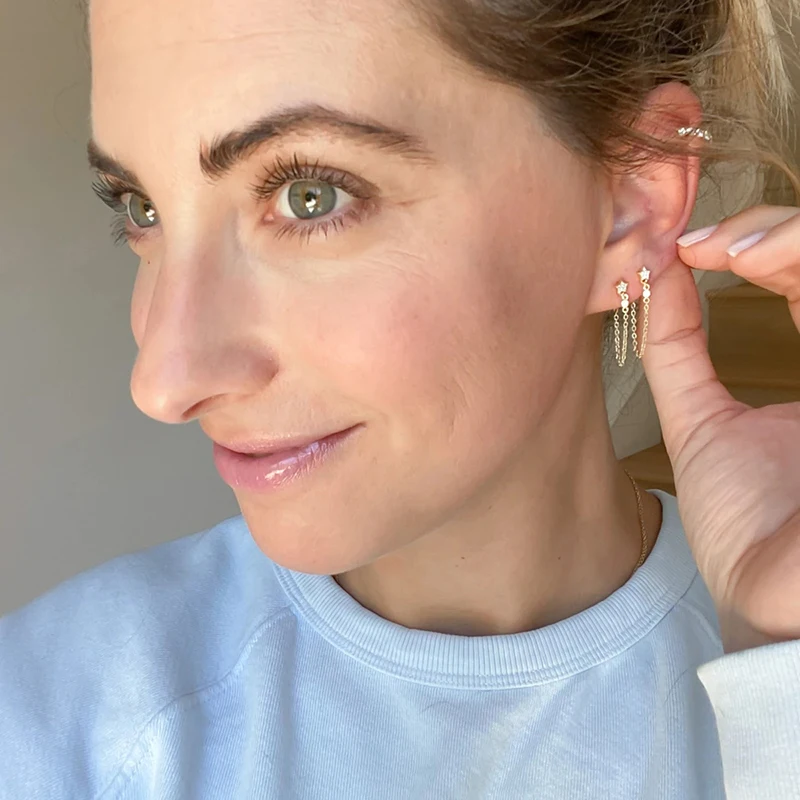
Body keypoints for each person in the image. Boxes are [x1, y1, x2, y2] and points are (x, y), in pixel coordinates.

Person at [1, 0, 799, 797]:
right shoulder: (52, 720)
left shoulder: (777, 645)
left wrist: (782, 669)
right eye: (142, 209)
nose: (164, 380)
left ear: (628, 203)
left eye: (310, 195)